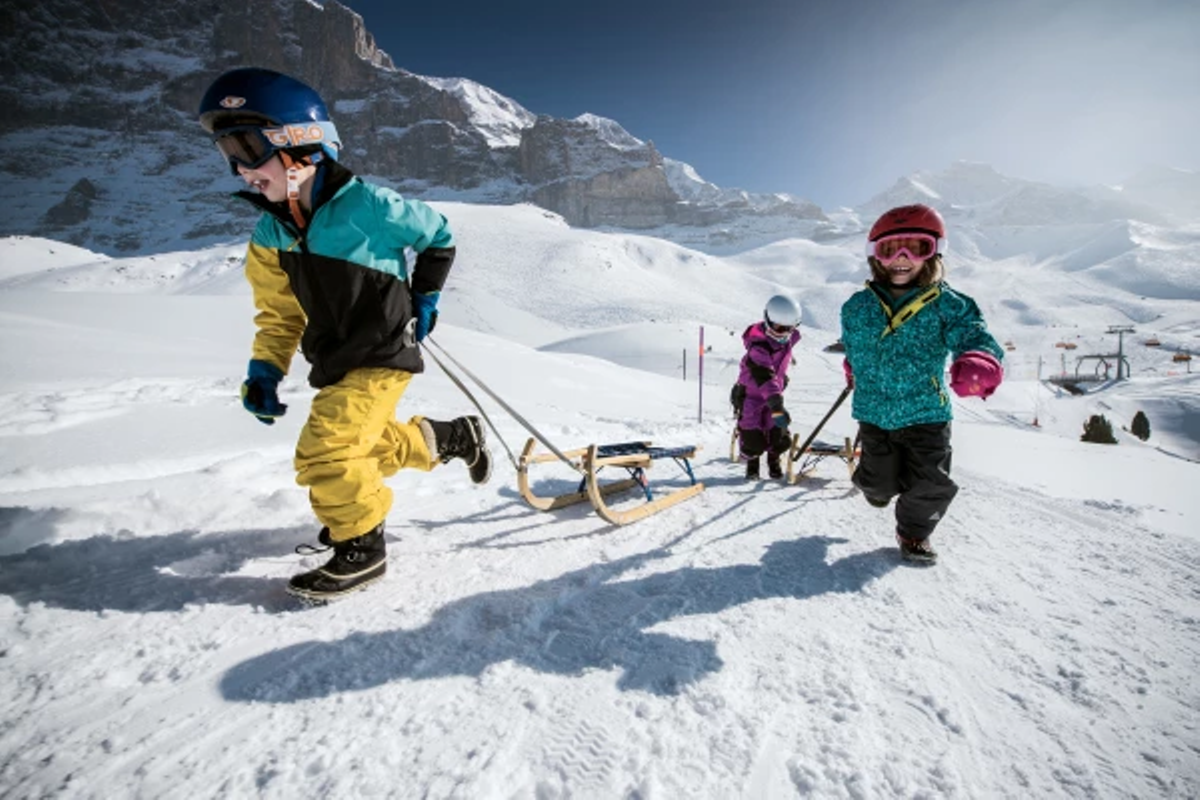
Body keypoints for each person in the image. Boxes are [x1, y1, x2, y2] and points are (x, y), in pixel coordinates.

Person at [197, 67, 492, 601]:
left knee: (327, 451)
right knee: (366, 446)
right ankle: (452, 438)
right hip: (334, 358)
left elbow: (438, 236)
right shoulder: (270, 235)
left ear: (299, 143)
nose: (240, 169)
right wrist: (265, 369)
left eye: (246, 146)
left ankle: (362, 545)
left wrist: (424, 296)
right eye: (227, 153)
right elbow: (279, 315)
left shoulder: (368, 207)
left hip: (383, 350)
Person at [840, 204, 1003, 563]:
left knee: (931, 484)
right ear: (875, 256)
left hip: (926, 410)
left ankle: (914, 534)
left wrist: (980, 358)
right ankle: (875, 484)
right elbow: (854, 345)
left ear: (934, 253)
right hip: (874, 410)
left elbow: (974, 336)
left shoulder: (949, 304)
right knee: (878, 483)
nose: (902, 257)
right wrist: (852, 367)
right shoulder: (856, 307)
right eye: (889, 249)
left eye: (916, 247)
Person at [734, 294, 802, 481]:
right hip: (753, 396)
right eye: (778, 327)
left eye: (788, 328)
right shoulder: (758, 346)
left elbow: (777, 368)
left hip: (773, 395)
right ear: (767, 320)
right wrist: (777, 404)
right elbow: (764, 375)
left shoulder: (788, 338)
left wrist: (782, 379)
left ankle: (774, 459)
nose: (782, 333)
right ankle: (753, 463)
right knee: (753, 439)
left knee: (779, 436)